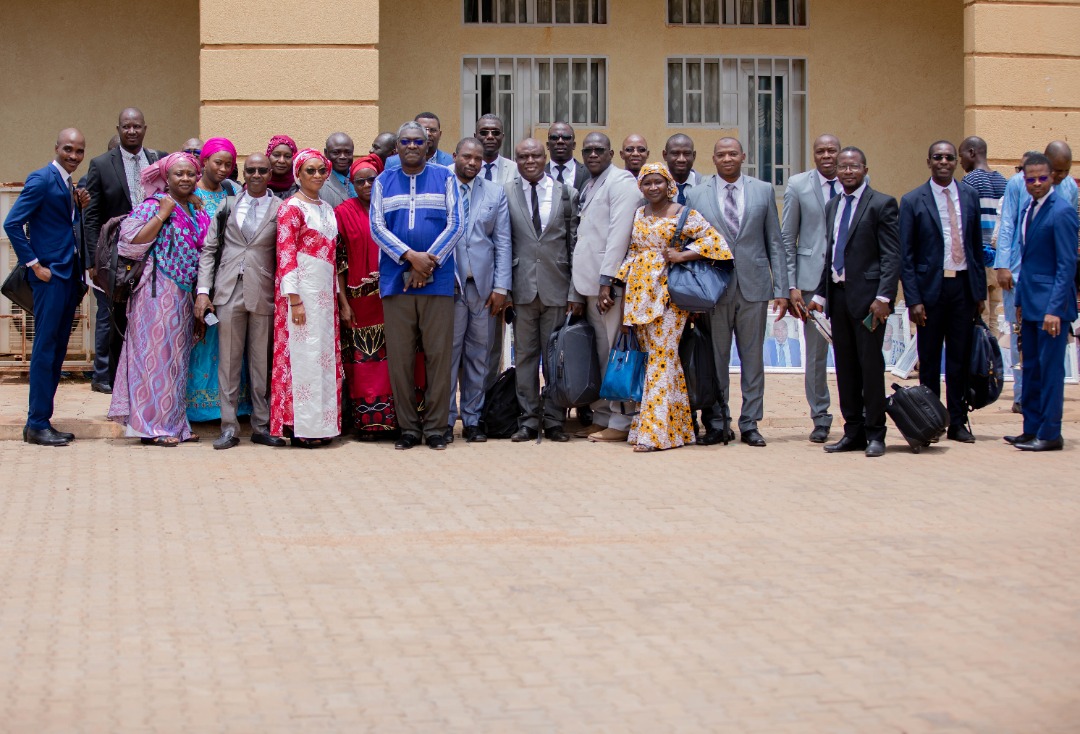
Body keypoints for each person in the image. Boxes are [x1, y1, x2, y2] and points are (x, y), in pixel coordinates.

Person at [616, 163, 731, 452]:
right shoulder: (638, 214)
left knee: (661, 358)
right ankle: (678, 430)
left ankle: (652, 435)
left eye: (658, 182)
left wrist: (682, 255)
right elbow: (632, 253)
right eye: (647, 183)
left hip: (669, 296)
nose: (653, 188)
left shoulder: (684, 214)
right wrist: (617, 286)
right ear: (640, 187)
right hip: (640, 295)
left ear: (669, 185)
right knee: (657, 359)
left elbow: (718, 244)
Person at [686, 137, 787, 448]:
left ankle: (751, 422)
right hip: (713, 289)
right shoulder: (697, 193)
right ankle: (718, 423)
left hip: (754, 288)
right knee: (714, 360)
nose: (727, 158)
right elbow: (689, 241)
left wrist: (781, 288)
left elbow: (774, 241)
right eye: (721, 154)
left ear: (743, 156)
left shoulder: (762, 190)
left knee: (752, 360)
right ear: (713, 159)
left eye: (733, 153)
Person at [370, 122, 464, 450]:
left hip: (437, 281)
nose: (411, 146)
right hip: (397, 281)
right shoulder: (384, 181)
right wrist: (410, 257)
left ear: (428, 146)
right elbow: (377, 227)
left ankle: (437, 428)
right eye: (405, 141)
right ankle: (408, 428)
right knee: (400, 358)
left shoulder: (446, 177)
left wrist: (428, 262)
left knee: (439, 356)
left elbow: (456, 224)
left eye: (418, 141)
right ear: (397, 147)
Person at [107, 152, 212, 445]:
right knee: (153, 359)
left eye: (191, 174)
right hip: (155, 290)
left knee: (176, 361)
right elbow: (130, 242)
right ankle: (150, 428)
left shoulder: (197, 210)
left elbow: (204, 250)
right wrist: (162, 214)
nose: (185, 179)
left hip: (183, 292)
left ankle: (175, 424)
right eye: (179, 174)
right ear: (166, 177)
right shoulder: (153, 205)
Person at [808, 147, 901, 458]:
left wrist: (884, 297)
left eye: (854, 166)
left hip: (870, 302)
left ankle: (876, 433)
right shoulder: (833, 205)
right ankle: (853, 432)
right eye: (843, 167)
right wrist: (820, 294)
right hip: (839, 298)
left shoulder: (882, 204)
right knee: (845, 369)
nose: (847, 171)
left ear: (864, 168)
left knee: (871, 369)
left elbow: (891, 256)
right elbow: (831, 253)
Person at [195, 153, 285, 450]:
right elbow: (209, 250)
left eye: (262, 170)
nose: (256, 175)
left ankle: (261, 426)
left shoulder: (281, 208)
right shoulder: (228, 204)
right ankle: (229, 427)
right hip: (228, 290)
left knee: (261, 364)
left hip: (262, 292)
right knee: (229, 363)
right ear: (243, 173)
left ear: (270, 173)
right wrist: (203, 291)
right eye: (251, 170)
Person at [3, 129, 88, 446]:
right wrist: (33, 264)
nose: (74, 156)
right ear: (56, 148)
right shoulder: (40, 179)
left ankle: (43, 420)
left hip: (69, 276)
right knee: (45, 350)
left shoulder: (68, 184)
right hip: (48, 276)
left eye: (79, 151)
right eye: (68, 149)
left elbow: (61, 224)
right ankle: (36, 423)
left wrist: (78, 206)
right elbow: (12, 223)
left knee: (57, 352)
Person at [900, 141, 987, 442]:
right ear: (928, 162)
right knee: (930, 359)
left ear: (956, 162)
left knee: (959, 360)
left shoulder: (970, 196)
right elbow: (906, 256)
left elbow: (975, 248)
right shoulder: (913, 201)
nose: (944, 162)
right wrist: (914, 299)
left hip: (962, 287)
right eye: (938, 157)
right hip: (929, 292)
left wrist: (980, 294)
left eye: (949, 157)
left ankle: (958, 422)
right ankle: (930, 420)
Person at [82, 107, 167, 392]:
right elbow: (91, 217)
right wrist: (92, 261)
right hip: (117, 257)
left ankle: (148, 382)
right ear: (118, 129)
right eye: (126, 126)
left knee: (150, 319)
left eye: (137, 126)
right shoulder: (101, 164)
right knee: (116, 319)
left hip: (155, 256)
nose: (132, 131)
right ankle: (120, 385)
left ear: (145, 128)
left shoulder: (160, 160)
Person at [504, 138, 583, 442]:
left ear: (545, 156)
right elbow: (504, 242)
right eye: (523, 156)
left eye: (535, 155)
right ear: (517, 159)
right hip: (522, 288)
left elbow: (574, 244)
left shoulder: (566, 194)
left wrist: (575, 291)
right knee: (524, 357)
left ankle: (553, 420)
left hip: (557, 288)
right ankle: (527, 420)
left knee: (555, 359)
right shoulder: (507, 193)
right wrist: (505, 289)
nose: (530, 161)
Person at [1004, 154, 1079, 451]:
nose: (1036, 183)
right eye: (1030, 178)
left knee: (1050, 373)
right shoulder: (1027, 208)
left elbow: (1066, 265)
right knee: (1031, 369)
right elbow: (1027, 261)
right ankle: (1031, 428)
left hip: (1051, 310)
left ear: (1052, 178)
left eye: (1042, 178)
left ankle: (1049, 434)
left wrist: (1054, 310)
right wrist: (1020, 302)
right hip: (1030, 303)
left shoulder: (1061, 212)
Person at [269, 149, 343, 447]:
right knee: (301, 358)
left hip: (325, 296)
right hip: (300, 293)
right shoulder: (291, 208)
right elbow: (285, 254)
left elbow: (333, 257)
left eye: (321, 170)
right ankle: (299, 427)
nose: (316, 175)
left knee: (322, 358)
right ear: (298, 174)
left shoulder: (326, 207)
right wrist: (295, 300)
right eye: (309, 170)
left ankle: (322, 425)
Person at [571, 132, 640, 443]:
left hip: (609, 288)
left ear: (612, 153)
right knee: (600, 353)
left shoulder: (622, 182)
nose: (593, 154)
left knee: (617, 353)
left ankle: (622, 420)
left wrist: (608, 281)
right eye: (588, 150)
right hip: (588, 284)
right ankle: (601, 416)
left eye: (599, 149)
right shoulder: (590, 184)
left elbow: (619, 234)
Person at [335, 153, 405, 440]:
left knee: (397, 362)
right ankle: (368, 425)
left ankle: (399, 421)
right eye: (359, 181)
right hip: (359, 303)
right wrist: (343, 303)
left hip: (393, 298)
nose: (366, 185)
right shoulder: (342, 212)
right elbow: (338, 261)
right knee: (364, 367)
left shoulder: (393, 208)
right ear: (352, 184)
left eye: (371, 180)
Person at [448, 138, 512, 443]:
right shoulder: (441, 184)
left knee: (478, 356)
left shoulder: (494, 192)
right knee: (447, 356)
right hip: (447, 287)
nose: (472, 163)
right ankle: (446, 419)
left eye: (477, 159)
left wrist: (501, 287)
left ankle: (472, 419)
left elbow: (502, 242)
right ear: (455, 156)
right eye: (467, 157)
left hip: (483, 290)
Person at [781, 133, 841, 443]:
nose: (827, 155)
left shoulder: (854, 181)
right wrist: (791, 285)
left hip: (847, 283)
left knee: (852, 354)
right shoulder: (798, 185)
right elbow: (787, 239)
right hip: (809, 283)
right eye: (821, 151)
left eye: (832, 150)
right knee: (816, 356)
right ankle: (821, 416)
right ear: (814, 155)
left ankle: (857, 414)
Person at [188, 137, 245, 423]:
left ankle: (232, 406)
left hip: (230, 279)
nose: (223, 169)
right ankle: (198, 407)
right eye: (217, 163)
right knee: (201, 340)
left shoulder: (234, 192)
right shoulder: (189, 193)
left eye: (228, 164)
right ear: (203, 162)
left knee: (227, 341)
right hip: (195, 276)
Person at [994, 150, 1041, 411]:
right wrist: (1003, 265)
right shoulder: (1015, 184)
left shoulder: (1066, 185)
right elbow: (1007, 224)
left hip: (1045, 275)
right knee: (1017, 333)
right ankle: (1022, 395)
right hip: (1016, 268)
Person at [959, 136, 1008, 338]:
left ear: (972, 152)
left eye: (961, 156)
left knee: (981, 314)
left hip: (979, 257)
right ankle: (994, 363)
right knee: (996, 316)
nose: (960, 162)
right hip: (999, 259)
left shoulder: (970, 181)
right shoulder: (1003, 180)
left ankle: (983, 363)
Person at [386, 113, 455, 169]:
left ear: (440, 134)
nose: (428, 134)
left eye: (433, 130)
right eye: (424, 130)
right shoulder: (393, 162)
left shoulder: (451, 162)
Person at [544, 122, 589, 189]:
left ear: (574, 145)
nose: (560, 141)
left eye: (566, 137)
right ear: (547, 145)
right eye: (554, 137)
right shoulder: (540, 173)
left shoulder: (588, 172)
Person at [474, 114, 515, 183]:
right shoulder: (460, 169)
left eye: (496, 132)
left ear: (502, 136)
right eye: (484, 132)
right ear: (475, 136)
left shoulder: (515, 170)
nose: (490, 136)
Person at [320, 132, 355, 208]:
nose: (343, 157)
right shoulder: (319, 182)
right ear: (326, 153)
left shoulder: (360, 178)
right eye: (336, 152)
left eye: (348, 152)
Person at [663, 134, 701, 204]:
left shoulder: (705, 186)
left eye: (686, 153)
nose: (681, 159)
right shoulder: (656, 187)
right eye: (675, 153)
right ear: (665, 155)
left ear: (694, 155)